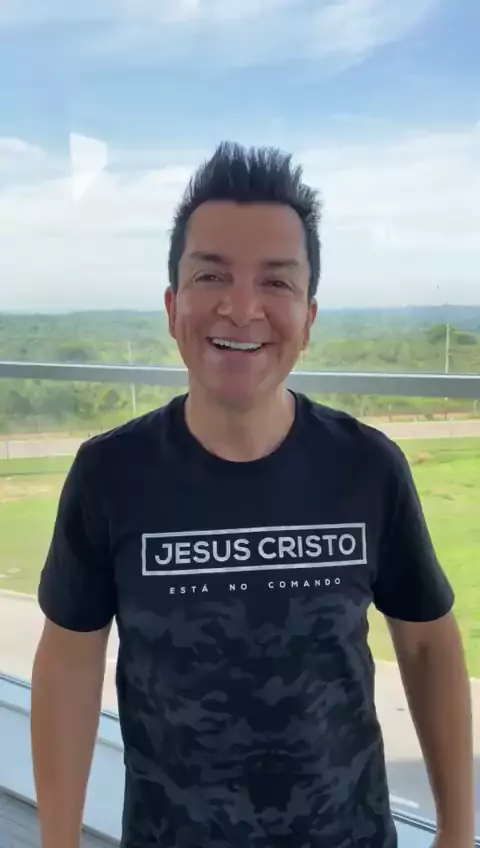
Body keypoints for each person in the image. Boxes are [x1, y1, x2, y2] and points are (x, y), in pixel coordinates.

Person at [31, 142, 474, 848]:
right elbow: (69, 663)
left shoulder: (368, 468)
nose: (241, 309)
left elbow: (427, 646)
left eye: (276, 282)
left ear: (309, 316)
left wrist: (457, 831)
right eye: (211, 275)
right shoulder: (109, 474)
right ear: (173, 306)